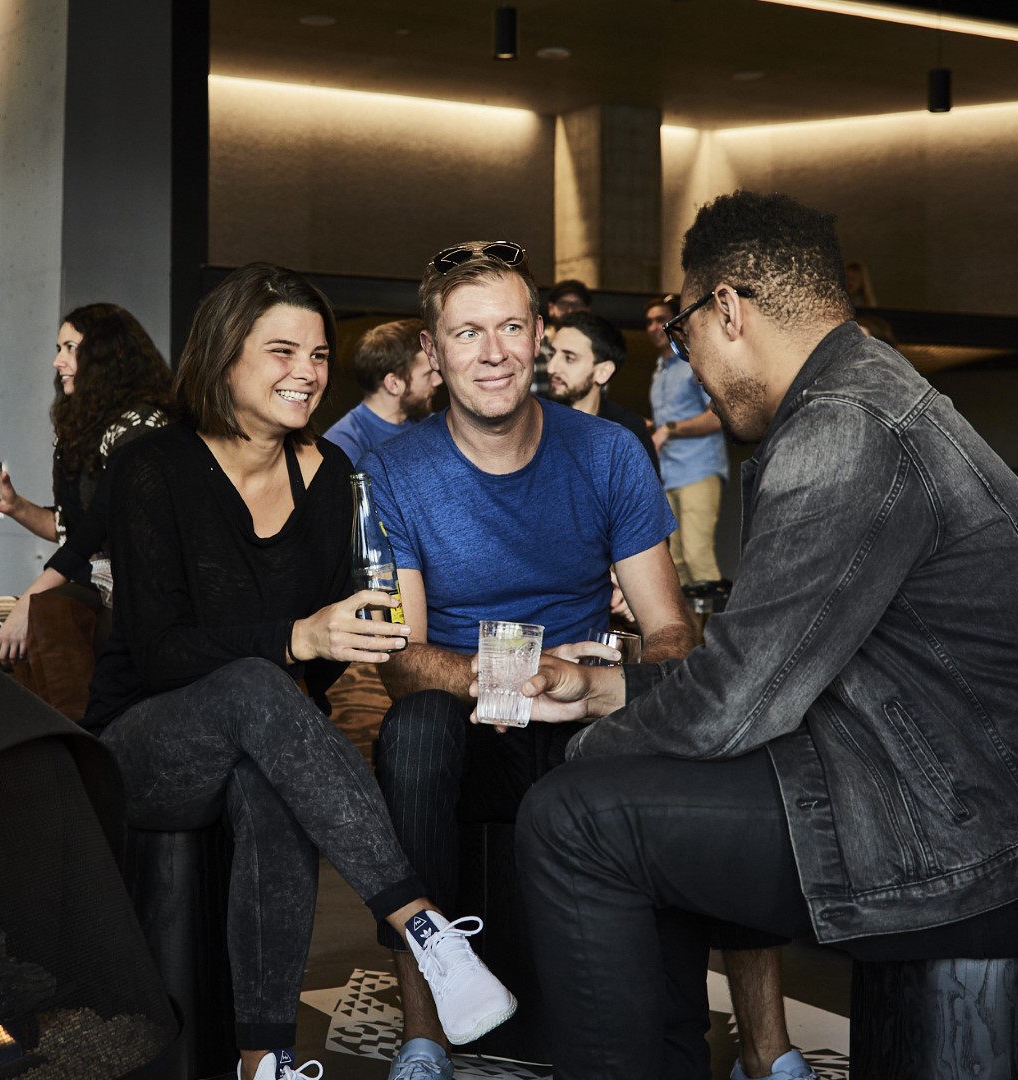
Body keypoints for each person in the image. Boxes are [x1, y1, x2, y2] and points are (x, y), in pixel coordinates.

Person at [511, 191, 1018, 1079]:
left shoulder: (845, 430)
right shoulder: (866, 395)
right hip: (1000, 799)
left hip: (1011, 839)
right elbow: (762, 666)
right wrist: (609, 689)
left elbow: (735, 704)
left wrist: (595, 737)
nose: (690, 363)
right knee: (624, 789)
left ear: (726, 310)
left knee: (573, 815)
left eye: (681, 334)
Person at [362, 242, 792, 1080]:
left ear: (537, 336)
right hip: (469, 719)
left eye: (510, 328)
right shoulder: (392, 470)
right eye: (467, 332)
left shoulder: (606, 452)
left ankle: (767, 1048)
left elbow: (670, 633)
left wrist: (602, 686)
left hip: (585, 710)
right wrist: (514, 676)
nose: (492, 352)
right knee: (411, 731)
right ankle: (425, 1032)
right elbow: (402, 661)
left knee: (719, 723)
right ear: (432, 350)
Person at [82, 262, 517, 1080]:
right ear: (224, 357)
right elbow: (158, 653)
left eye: (318, 356)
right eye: (282, 352)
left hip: (261, 737)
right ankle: (422, 925)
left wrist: (343, 637)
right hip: (142, 746)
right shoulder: (152, 466)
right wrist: (297, 637)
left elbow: (314, 670)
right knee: (256, 681)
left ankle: (265, 1059)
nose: (307, 373)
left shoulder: (330, 478)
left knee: (268, 767)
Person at [0, 304, 173, 663]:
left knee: (50, 613)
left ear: (106, 356)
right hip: (92, 578)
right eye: (58, 348)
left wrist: (30, 600)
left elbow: (100, 528)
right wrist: (14, 505)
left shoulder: (140, 426)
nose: (57, 361)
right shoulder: (85, 426)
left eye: (70, 348)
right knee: (48, 617)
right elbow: (74, 530)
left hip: (143, 586)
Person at [647, 292, 728, 585]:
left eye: (660, 320)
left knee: (697, 558)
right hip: (669, 474)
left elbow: (717, 416)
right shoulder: (660, 369)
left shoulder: (693, 359)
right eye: (648, 322)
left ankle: (714, 618)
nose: (653, 327)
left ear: (676, 322)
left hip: (698, 469)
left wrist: (669, 428)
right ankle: (689, 620)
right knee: (675, 564)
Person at [545, 309, 658, 476]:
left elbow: (648, 491)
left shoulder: (628, 431)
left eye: (569, 358)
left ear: (603, 372)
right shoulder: (533, 421)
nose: (551, 368)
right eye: (552, 354)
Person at [322, 317, 441, 463]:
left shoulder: (432, 424)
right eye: (428, 374)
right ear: (393, 383)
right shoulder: (344, 444)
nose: (438, 380)